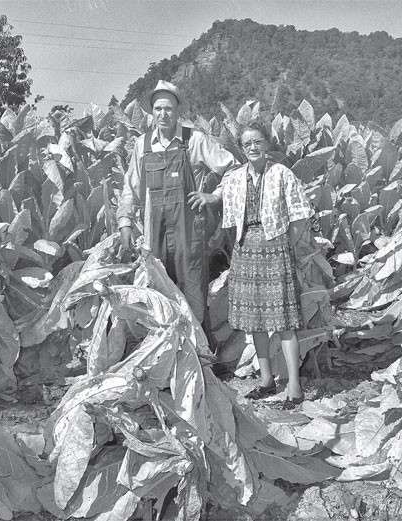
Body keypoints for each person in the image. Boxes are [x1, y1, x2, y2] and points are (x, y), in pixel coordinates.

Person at [116, 80, 239, 333]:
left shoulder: (194, 141)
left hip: (189, 233)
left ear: (178, 111)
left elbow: (234, 168)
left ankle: (200, 358)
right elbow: (130, 188)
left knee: (193, 292)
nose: (163, 114)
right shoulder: (143, 145)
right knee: (159, 294)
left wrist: (215, 196)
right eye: (158, 108)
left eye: (169, 109)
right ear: (152, 112)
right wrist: (125, 222)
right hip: (154, 234)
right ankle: (167, 358)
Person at [221, 123, 313, 410]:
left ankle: (295, 388)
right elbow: (230, 216)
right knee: (255, 321)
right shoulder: (235, 178)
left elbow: (300, 214)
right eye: (246, 143)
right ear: (241, 147)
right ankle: (265, 381)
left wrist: (287, 242)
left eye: (257, 141)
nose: (252, 147)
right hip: (245, 249)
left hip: (275, 247)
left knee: (284, 321)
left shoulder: (282, 174)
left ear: (267, 144)